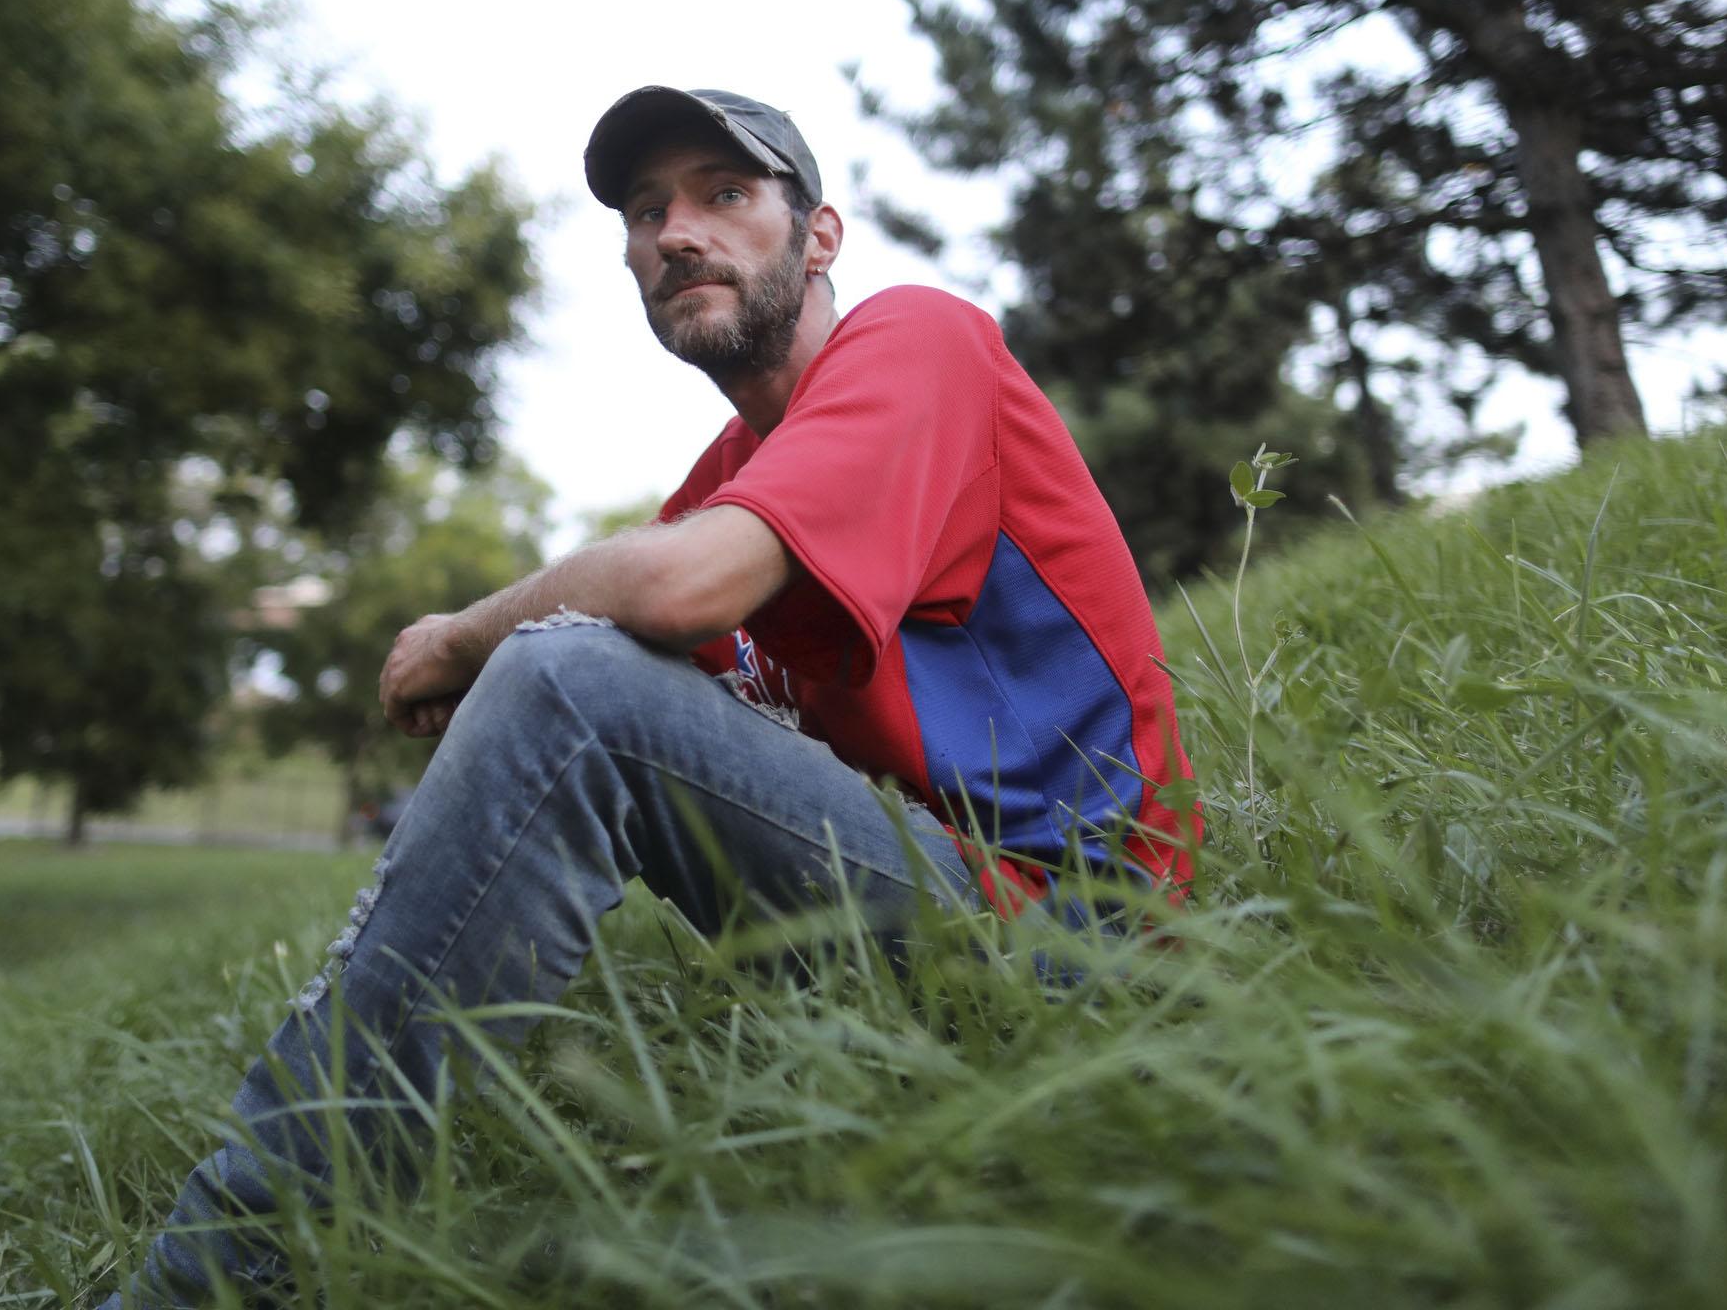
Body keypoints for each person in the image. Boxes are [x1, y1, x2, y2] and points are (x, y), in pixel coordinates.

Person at [96, 86, 1198, 1307]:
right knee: (561, 674)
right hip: (927, 938)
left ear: (818, 236)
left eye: (724, 195)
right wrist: (502, 676)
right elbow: (609, 659)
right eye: (644, 210)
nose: (675, 232)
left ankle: (209, 1281)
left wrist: (467, 635)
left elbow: (666, 597)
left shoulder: (921, 342)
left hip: (1082, 953)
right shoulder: (731, 479)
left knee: (560, 678)